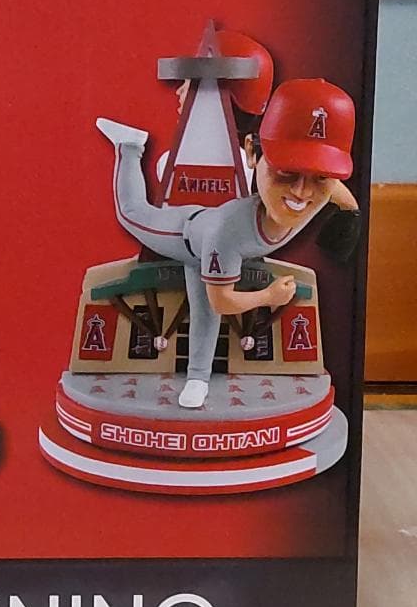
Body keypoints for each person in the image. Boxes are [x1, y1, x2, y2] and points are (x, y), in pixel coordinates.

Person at [97, 77, 359, 409]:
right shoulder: (228, 234)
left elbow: (335, 192)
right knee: (132, 214)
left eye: (319, 176)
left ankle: (197, 378)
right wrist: (269, 296)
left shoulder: (315, 197)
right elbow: (222, 301)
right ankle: (130, 145)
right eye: (287, 171)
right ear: (252, 153)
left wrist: (351, 213)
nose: (302, 191)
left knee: (206, 306)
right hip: (189, 237)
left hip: (220, 230)